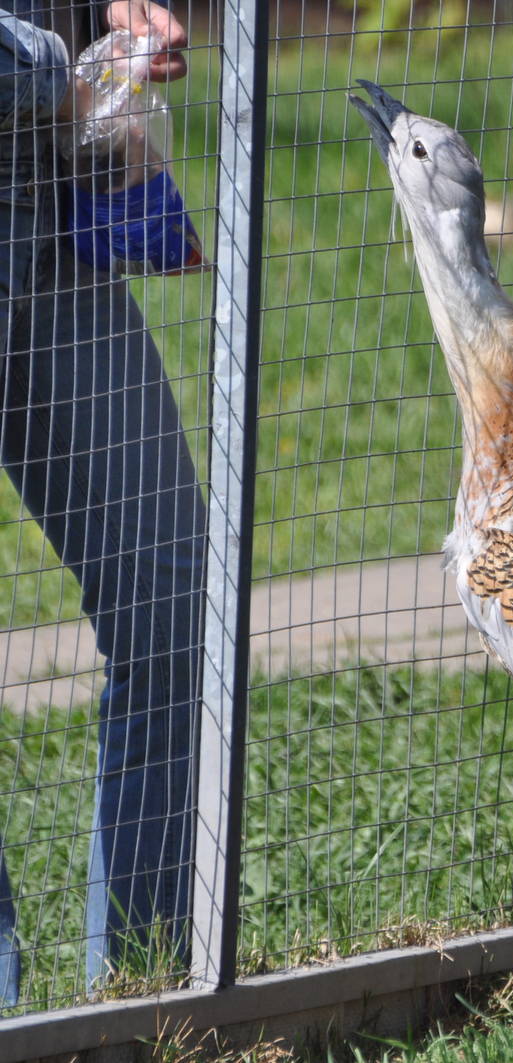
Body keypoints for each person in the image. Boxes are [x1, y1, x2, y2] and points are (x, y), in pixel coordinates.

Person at [0, 0, 201, 1005]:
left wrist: (107, 15)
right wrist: (63, 80)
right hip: (40, 120)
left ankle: (139, 998)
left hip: (47, 227)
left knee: (171, 594)